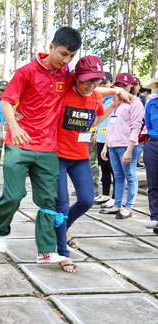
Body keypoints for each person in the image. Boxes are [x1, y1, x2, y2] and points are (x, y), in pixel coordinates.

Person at [0, 27, 82, 264]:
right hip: (19, 144)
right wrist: (16, 127)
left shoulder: (66, 74)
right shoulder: (26, 72)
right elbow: (6, 103)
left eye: (72, 56)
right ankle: (0, 230)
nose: (66, 60)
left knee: (48, 201)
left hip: (48, 148)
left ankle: (45, 250)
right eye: (63, 54)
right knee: (13, 195)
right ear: (50, 48)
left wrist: (115, 92)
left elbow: (87, 87)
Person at [54, 56, 118, 273]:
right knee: (61, 206)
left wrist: (112, 107)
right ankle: (62, 253)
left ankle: (64, 230)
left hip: (80, 156)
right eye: (87, 81)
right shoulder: (63, 93)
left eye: (96, 82)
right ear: (76, 78)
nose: (91, 86)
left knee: (87, 200)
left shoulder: (94, 98)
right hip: (58, 156)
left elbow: (94, 120)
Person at [100, 73, 145, 219]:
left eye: (124, 86)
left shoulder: (135, 103)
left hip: (127, 146)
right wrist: (106, 145)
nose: (122, 88)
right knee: (118, 176)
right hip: (113, 145)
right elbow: (111, 126)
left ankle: (129, 206)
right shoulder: (116, 103)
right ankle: (117, 204)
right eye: (118, 86)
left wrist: (129, 150)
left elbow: (135, 127)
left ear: (131, 86)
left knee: (130, 176)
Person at [94, 72, 115, 208]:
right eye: (100, 83)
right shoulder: (97, 99)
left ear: (110, 84)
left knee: (114, 170)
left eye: (105, 83)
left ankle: (115, 197)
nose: (102, 86)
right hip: (100, 137)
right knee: (104, 167)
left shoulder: (113, 99)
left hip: (112, 138)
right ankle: (105, 194)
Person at [143, 96, 158, 229]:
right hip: (153, 144)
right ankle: (154, 217)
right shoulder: (151, 104)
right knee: (152, 183)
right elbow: (148, 124)